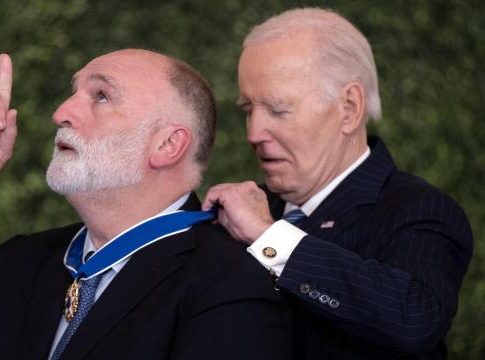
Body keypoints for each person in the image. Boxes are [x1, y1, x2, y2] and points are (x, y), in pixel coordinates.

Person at [0, 49, 292, 359]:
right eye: (73, 92)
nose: (61, 111)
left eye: (100, 96)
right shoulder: (20, 263)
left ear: (167, 145)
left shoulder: (234, 281)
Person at [202, 7, 473, 360]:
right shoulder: (243, 215)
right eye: (248, 109)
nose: (253, 132)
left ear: (349, 107)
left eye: (279, 109)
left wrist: (270, 239)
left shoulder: (421, 210)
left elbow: (414, 317)